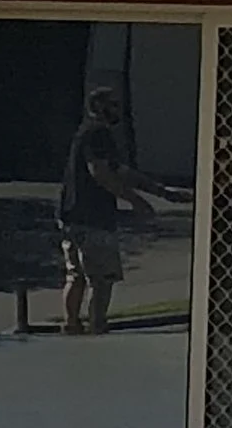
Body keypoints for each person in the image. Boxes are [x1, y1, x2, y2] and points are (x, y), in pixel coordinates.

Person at [55, 87, 160, 337]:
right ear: (99, 106)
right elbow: (101, 172)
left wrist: (160, 191)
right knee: (102, 278)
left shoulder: (85, 132)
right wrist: (135, 201)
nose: (118, 109)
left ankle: (71, 323)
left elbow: (122, 171)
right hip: (95, 216)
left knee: (76, 274)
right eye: (112, 104)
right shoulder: (98, 133)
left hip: (71, 214)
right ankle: (97, 324)